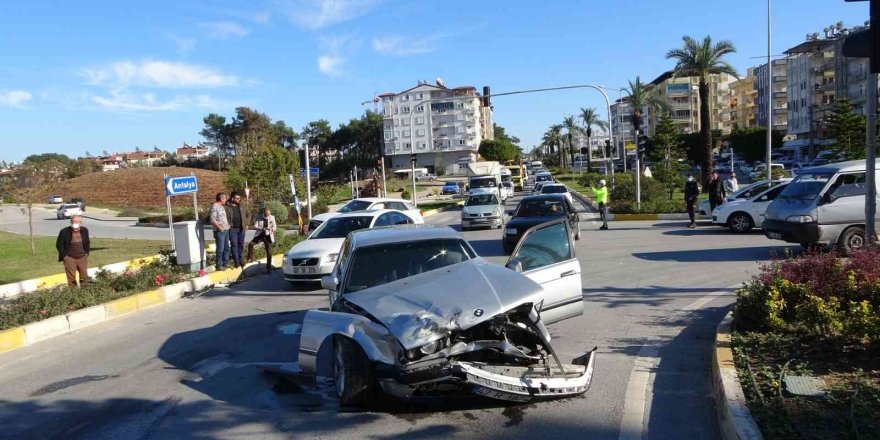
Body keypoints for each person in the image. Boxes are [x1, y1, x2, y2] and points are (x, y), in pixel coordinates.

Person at [56, 215, 90, 288]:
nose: (75, 223)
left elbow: (87, 242)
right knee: (71, 278)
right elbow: (59, 244)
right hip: (70, 258)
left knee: (84, 276)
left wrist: (86, 253)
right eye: (73, 221)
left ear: (80, 222)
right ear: (70, 222)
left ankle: (85, 292)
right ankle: (74, 294)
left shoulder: (85, 230)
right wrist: (65, 256)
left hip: (82, 257)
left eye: (77, 221)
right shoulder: (64, 231)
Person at [246, 206, 278, 273]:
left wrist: (272, 229)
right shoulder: (259, 217)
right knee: (251, 244)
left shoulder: (272, 217)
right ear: (264, 213)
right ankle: (250, 258)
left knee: (269, 252)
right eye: (266, 214)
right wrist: (262, 229)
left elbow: (275, 226)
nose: (267, 216)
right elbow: (255, 226)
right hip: (260, 234)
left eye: (268, 214)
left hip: (268, 236)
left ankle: (269, 268)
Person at [225, 191, 251, 268]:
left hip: (241, 228)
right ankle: (236, 261)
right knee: (234, 245)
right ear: (232, 198)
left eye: (239, 198)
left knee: (241, 245)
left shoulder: (242, 205)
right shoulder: (226, 207)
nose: (239, 199)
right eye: (237, 198)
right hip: (232, 229)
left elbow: (248, 214)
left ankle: (240, 259)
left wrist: (246, 224)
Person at [210, 192, 231, 270]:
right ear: (221, 199)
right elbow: (212, 219)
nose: (226, 200)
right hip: (219, 231)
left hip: (226, 230)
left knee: (226, 248)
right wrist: (219, 227)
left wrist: (228, 225)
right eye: (225, 198)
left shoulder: (222, 206)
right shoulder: (215, 206)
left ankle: (225, 263)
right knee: (220, 248)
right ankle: (219, 265)